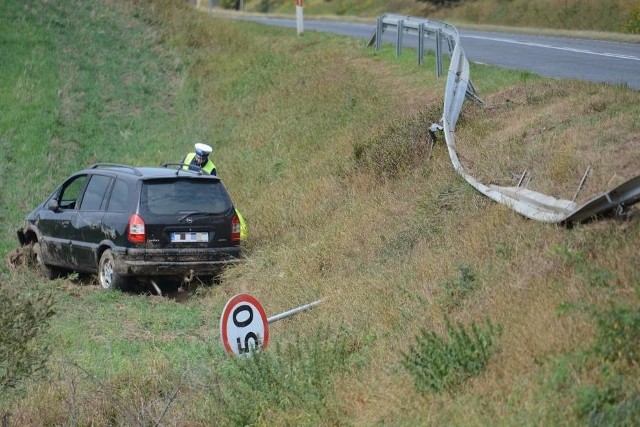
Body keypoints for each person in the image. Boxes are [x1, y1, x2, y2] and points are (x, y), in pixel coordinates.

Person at [182, 142, 247, 241]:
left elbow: (210, 188)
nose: (199, 160)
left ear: (206, 157)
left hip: (198, 199)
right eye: (198, 157)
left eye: (202, 159)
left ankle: (194, 239)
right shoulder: (189, 156)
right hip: (182, 193)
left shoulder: (211, 168)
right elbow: (178, 170)